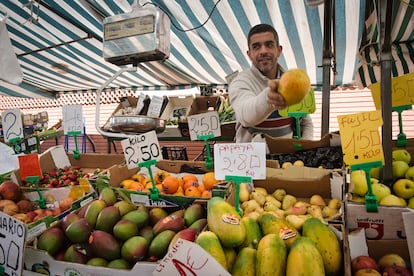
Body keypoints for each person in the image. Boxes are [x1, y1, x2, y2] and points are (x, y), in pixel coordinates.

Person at [229, 23, 314, 143]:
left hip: (285, 159)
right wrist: (268, 98)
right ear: (249, 54)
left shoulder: (295, 82)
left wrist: (305, 148)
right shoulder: (241, 82)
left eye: (269, 45)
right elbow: (245, 116)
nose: (263, 51)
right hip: (249, 159)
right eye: (256, 47)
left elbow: (306, 123)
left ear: (279, 50)